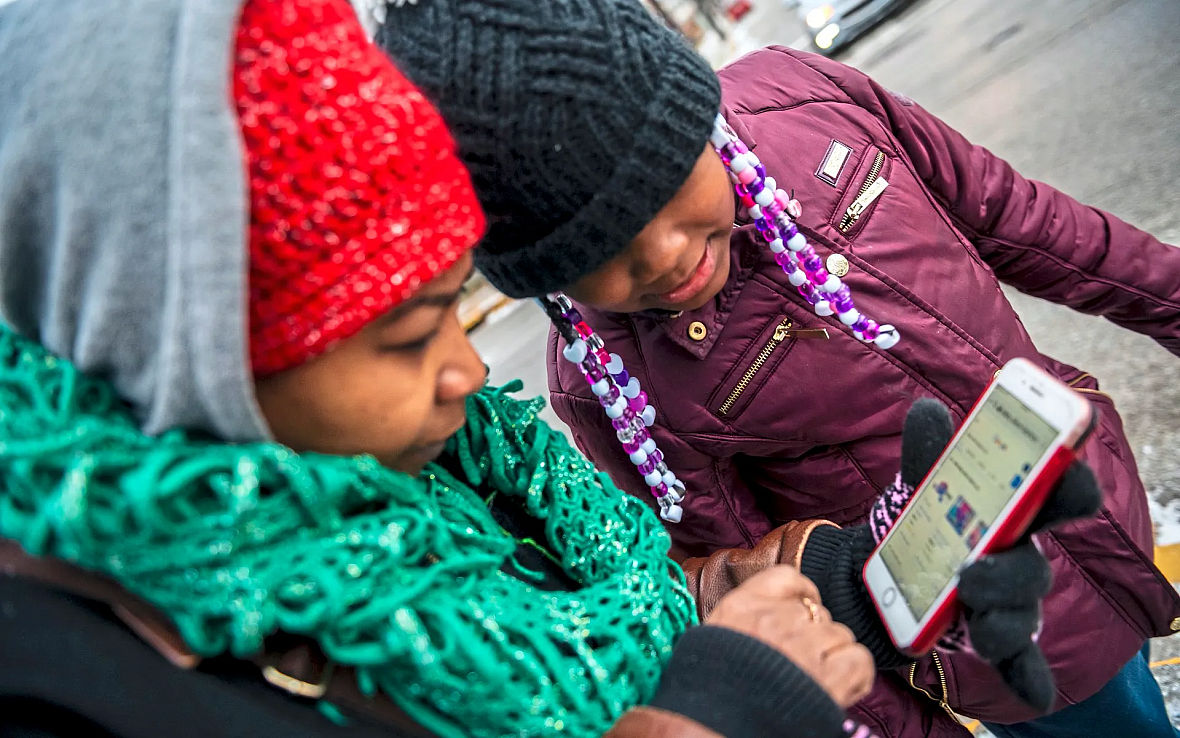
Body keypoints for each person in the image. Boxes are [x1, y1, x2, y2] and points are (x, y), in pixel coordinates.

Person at [0, 1, 939, 737]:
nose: (465, 370)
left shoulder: (464, 463)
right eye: (407, 337)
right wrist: (718, 715)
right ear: (192, 353)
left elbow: (594, 614)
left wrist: (824, 578)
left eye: (454, 305)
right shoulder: (66, 679)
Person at [373, 1, 1180, 737]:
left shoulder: (803, 97)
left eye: (668, 180)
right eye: (594, 254)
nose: (665, 256)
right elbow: (773, 603)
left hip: (1095, 501)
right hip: (1001, 646)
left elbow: (1029, 224)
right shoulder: (611, 388)